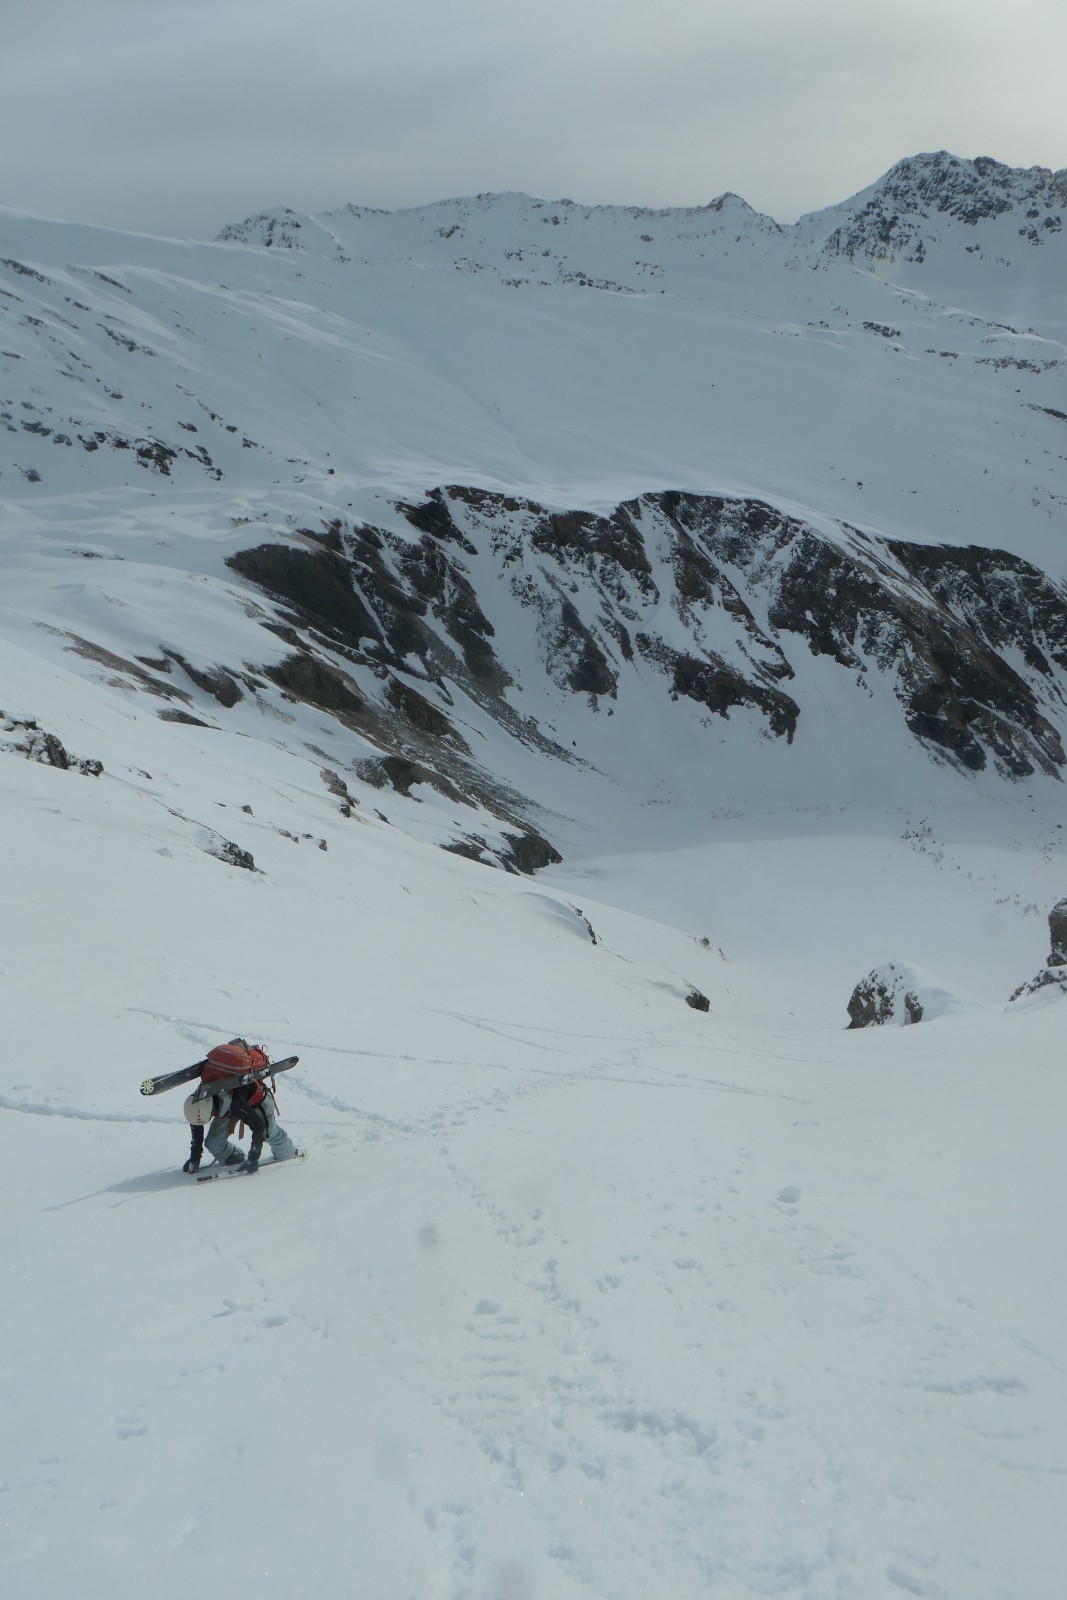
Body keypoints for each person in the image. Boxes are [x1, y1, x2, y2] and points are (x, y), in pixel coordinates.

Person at [181, 1039, 299, 1174]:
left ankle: (288, 1153)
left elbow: (258, 1125)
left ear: (212, 1108)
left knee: (268, 1133)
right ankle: (234, 1157)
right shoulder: (197, 1101)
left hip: (256, 1102)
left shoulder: (234, 1102)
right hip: (226, 1106)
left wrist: (253, 1159)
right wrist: (194, 1159)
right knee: (213, 1142)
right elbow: (197, 1127)